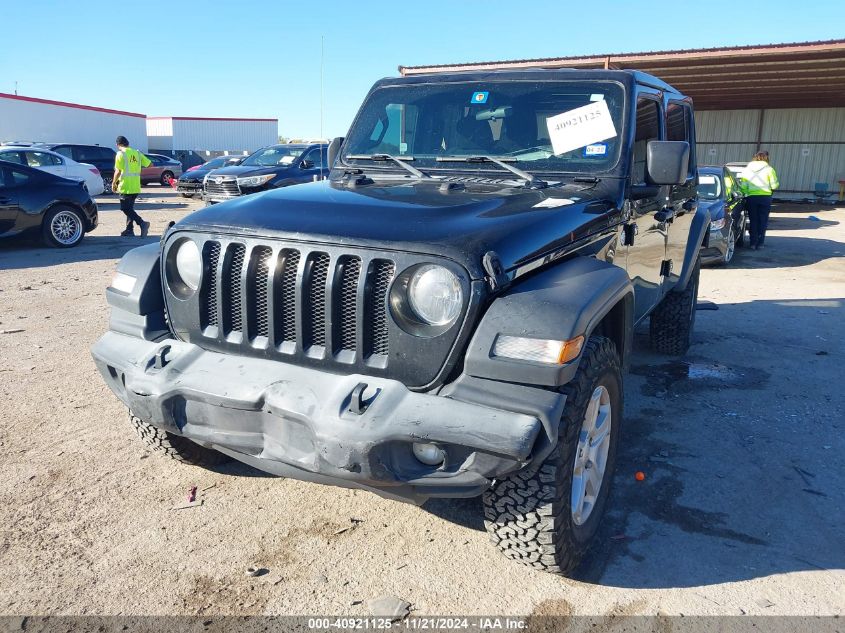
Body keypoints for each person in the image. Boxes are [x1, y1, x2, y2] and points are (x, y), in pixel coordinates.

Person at [739, 151, 779, 250]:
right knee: (763, 220)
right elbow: (774, 185)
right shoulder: (769, 169)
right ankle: (760, 243)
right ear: (766, 158)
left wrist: (747, 192)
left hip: (752, 198)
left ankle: (752, 243)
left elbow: (743, 186)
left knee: (753, 220)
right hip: (765, 198)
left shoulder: (747, 170)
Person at [112, 136, 151, 237]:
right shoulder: (137, 153)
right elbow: (150, 164)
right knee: (130, 208)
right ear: (127, 143)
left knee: (125, 208)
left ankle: (142, 223)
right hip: (135, 186)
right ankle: (129, 230)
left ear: (118, 145)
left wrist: (113, 183)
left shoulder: (120, 154)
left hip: (126, 185)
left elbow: (118, 171)